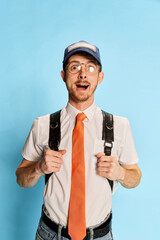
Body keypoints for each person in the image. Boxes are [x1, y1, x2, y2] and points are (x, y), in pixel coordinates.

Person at [16, 41, 142, 240]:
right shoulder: (42, 125)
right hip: (50, 234)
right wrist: (39, 167)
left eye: (90, 67)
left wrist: (119, 172)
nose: (82, 73)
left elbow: (135, 177)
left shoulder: (119, 125)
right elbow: (21, 179)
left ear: (100, 77)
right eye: (74, 67)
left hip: (100, 235)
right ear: (63, 76)